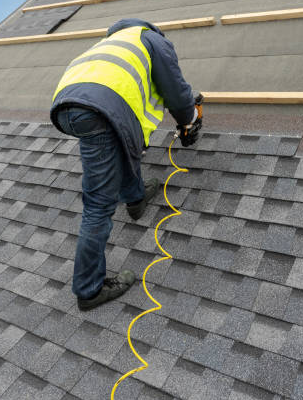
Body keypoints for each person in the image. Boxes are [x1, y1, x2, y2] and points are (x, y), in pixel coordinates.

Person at [50, 18, 202, 311]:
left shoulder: (111, 43)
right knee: (98, 205)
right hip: (98, 109)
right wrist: (189, 121)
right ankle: (89, 289)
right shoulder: (151, 39)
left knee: (115, 148)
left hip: (68, 106)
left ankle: (135, 198)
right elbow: (176, 91)